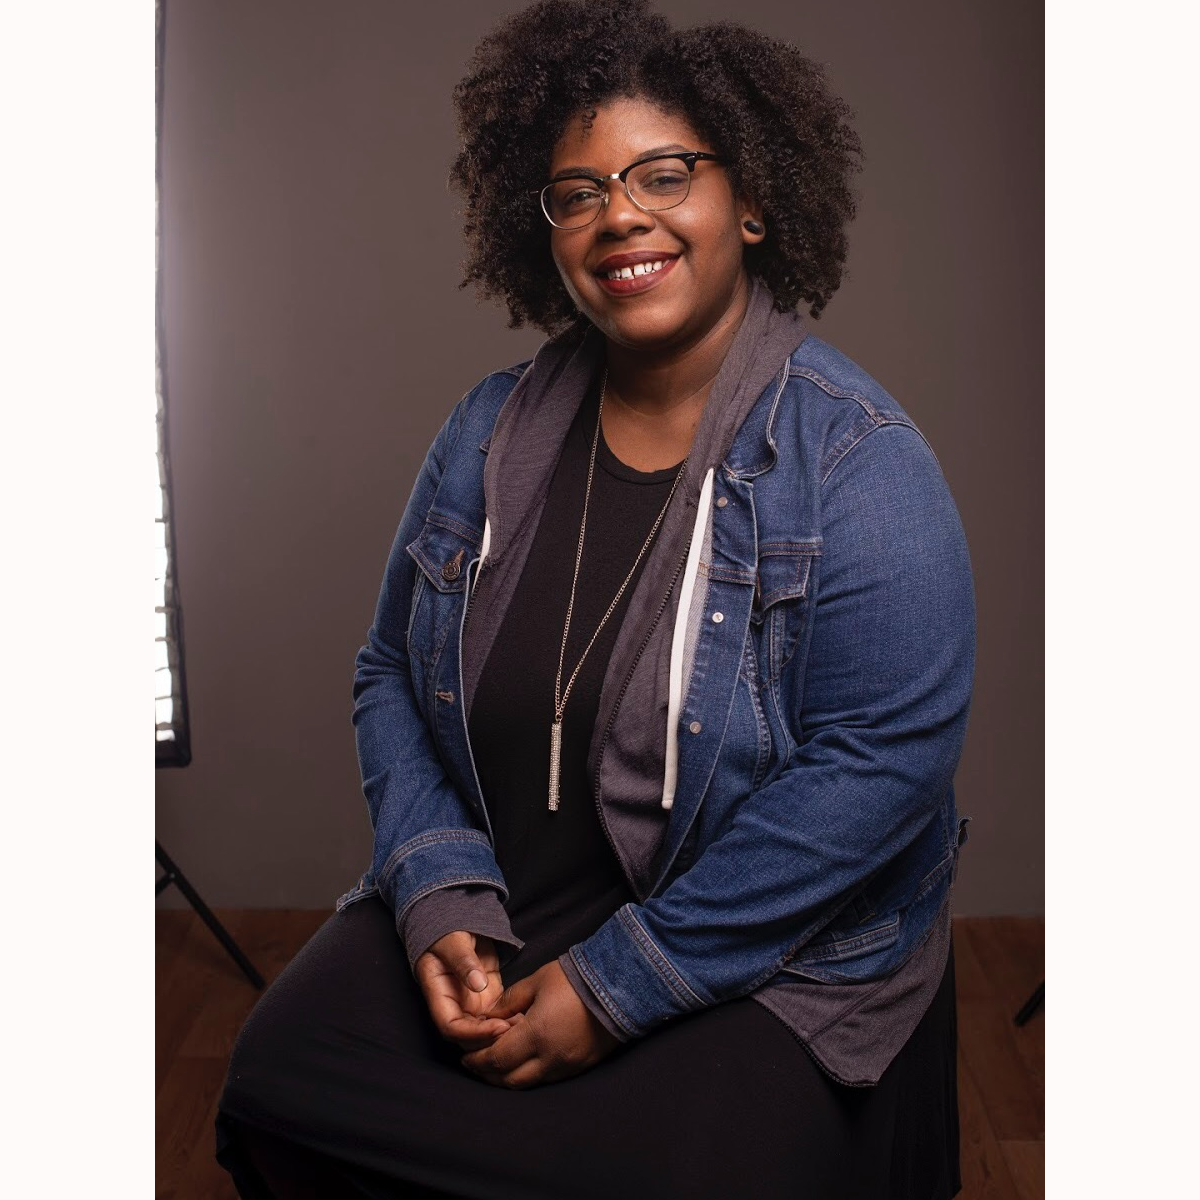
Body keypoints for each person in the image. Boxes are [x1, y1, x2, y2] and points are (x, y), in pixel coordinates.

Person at [215, 0, 976, 1195]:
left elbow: (882, 766)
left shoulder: (856, 459)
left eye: (664, 173)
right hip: (509, 889)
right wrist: (437, 884)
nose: (620, 212)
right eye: (578, 192)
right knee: (276, 1086)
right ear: (548, 234)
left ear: (754, 198)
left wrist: (621, 985)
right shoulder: (486, 432)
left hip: (751, 939)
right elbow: (386, 674)